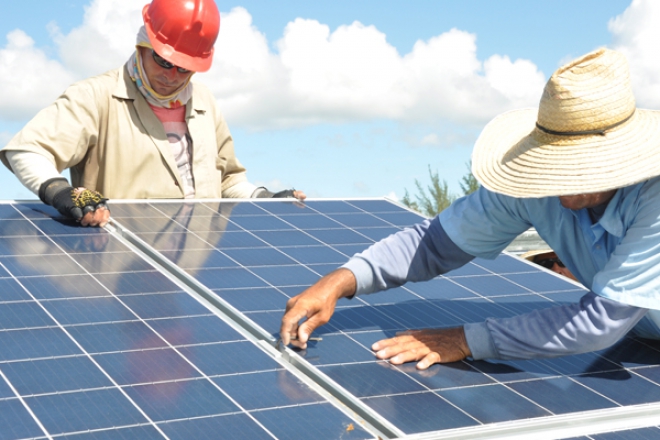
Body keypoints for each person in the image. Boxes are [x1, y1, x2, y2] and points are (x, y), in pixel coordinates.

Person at [280, 47, 660, 369]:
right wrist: (340, 281)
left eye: (581, 170)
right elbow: (432, 245)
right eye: (555, 168)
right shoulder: (533, 186)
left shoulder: (654, 201)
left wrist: (465, 340)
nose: (560, 192)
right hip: (641, 340)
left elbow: (602, 322)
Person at [0, 0, 305, 228]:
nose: (172, 75)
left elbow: (227, 182)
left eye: (184, 67)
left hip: (197, 269)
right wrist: (59, 191)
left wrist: (262, 199)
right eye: (163, 61)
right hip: (120, 264)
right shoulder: (96, 97)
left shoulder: (205, 103)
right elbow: (27, 150)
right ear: (143, 44)